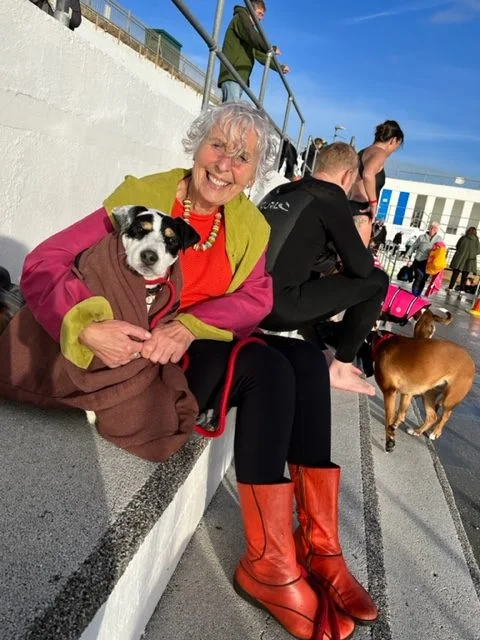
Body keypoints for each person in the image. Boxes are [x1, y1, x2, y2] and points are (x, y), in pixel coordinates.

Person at [14, 104, 376, 639]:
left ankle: (320, 547)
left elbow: (257, 299)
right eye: (218, 146)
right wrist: (87, 326)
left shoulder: (248, 224)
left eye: (243, 157)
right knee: (268, 368)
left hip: (189, 342)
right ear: (196, 146)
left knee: (302, 359)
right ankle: (268, 566)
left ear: (255, 173)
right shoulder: (144, 196)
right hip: (144, 354)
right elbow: (45, 261)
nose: (226, 164)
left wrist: (190, 324)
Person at [258, 142, 389, 396]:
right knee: (377, 281)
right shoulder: (331, 194)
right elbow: (361, 267)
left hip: (252, 304)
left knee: (306, 273)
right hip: (279, 309)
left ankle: (320, 350)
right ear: (348, 176)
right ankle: (341, 368)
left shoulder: (282, 190)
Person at [218, 1, 290, 103]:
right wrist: (271, 48)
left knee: (232, 110)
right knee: (232, 110)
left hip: (240, 78)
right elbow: (252, 36)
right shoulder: (240, 19)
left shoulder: (249, 31)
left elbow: (261, 55)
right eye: (259, 13)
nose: (261, 18)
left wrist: (279, 67)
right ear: (251, 10)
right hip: (232, 74)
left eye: (263, 15)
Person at [349, 120, 404, 247]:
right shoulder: (379, 152)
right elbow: (368, 175)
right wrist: (373, 203)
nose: (393, 151)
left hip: (350, 205)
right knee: (357, 255)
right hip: (362, 211)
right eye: (396, 146)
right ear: (393, 140)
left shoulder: (363, 152)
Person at [405, 221, 442, 296]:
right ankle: (414, 294)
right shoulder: (422, 237)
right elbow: (413, 246)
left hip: (429, 262)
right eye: (433, 228)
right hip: (419, 260)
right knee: (419, 277)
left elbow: (441, 250)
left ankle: (418, 294)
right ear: (430, 228)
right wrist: (407, 255)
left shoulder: (439, 239)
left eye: (436, 229)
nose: (434, 230)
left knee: (423, 279)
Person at [446, 226, 480, 297]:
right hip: (469, 260)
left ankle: (450, 288)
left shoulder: (463, 238)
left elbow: (457, 246)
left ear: (468, 231)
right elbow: (478, 251)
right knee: (465, 276)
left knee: (455, 274)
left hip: (459, 259)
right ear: (475, 232)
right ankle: (461, 290)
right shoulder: (476, 240)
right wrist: (471, 253)